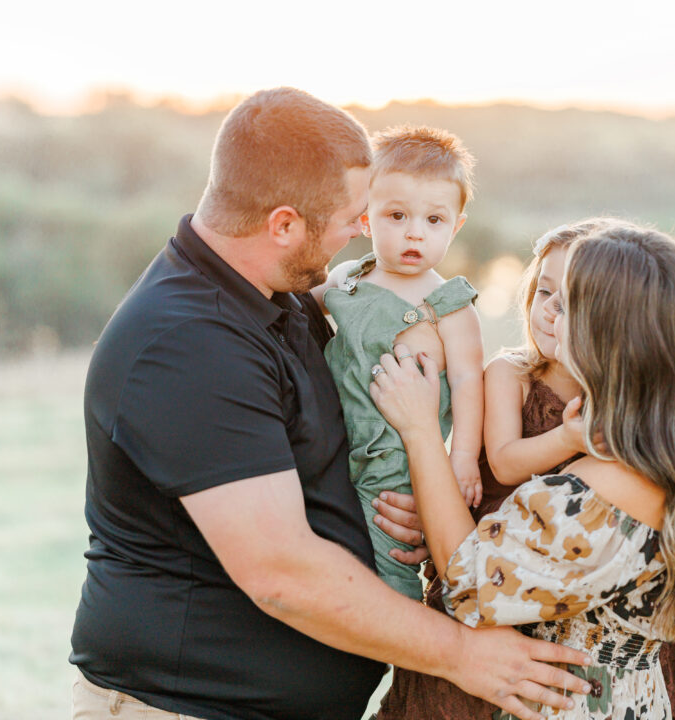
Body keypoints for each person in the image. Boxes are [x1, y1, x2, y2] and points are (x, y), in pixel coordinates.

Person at [69, 87, 590, 720]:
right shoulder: (187, 344)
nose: (358, 232)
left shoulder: (276, 298)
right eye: (352, 216)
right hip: (183, 708)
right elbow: (282, 573)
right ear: (284, 224)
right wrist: (464, 655)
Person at [371, 221, 675, 718]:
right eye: (549, 294)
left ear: (614, 333)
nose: (552, 313)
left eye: (572, 303)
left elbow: (469, 580)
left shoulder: (600, 496)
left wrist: (420, 431)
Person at [312, 125, 483, 600]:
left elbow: (470, 382)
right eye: (397, 215)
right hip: (331, 445)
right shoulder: (349, 277)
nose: (415, 232)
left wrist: (462, 458)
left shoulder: (450, 305)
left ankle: (401, 652)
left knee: (390, 564)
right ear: (364, 217)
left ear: (456, 225)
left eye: (434, 220)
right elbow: (293, 308)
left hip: (395, 467)